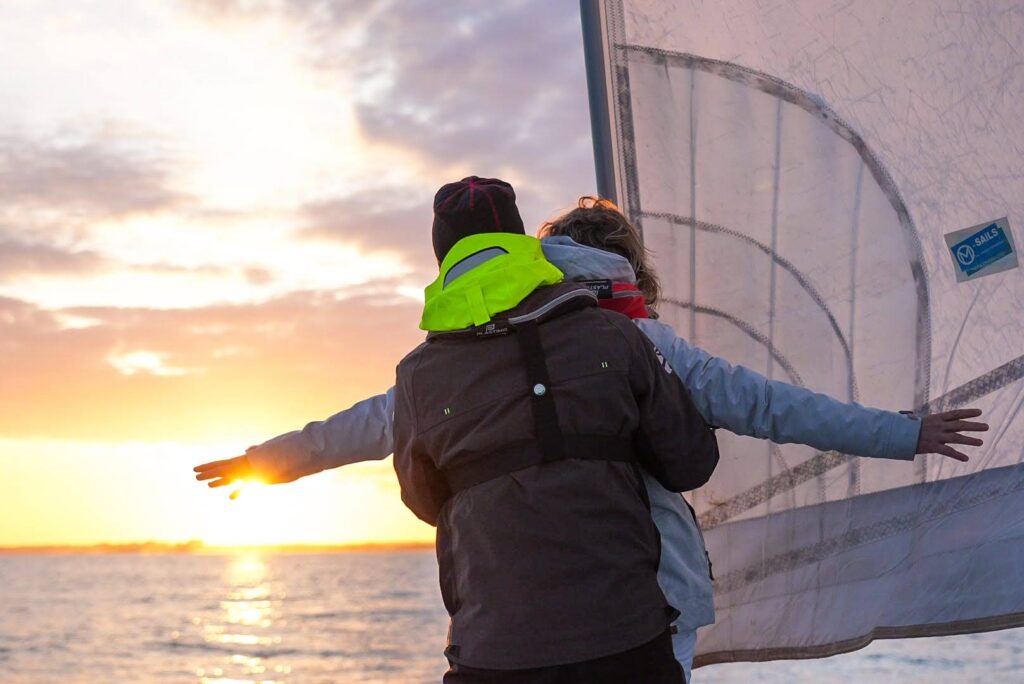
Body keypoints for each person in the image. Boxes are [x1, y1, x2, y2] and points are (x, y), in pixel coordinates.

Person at [195, 195, 988, 681]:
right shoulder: (642, 342)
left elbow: (367, 424)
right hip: (653, 605)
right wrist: (905, 434)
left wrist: (264, 463)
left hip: (517, 616)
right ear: (630, 272)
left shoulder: (471, 364)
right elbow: (773, 407)